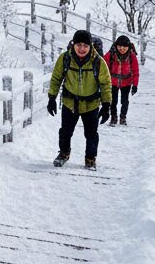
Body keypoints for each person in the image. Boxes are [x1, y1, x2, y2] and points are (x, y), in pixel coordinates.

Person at [47, 29, 112, 169]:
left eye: (86, 46)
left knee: (91, 134)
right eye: (79, 45)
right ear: (73, 44)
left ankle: (90, 158)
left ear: (90, 46)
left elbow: (106, 84)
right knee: (65, 131)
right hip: (70, 103)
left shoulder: (98, 62)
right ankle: (64, 153)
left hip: (92, 104)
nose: (82, 49)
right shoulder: (65, 59)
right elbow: (56, 78)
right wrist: (52, 97)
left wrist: (107, 105)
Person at [104, 34, 139, 126]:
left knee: (124, 101)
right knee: (113, 100)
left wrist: (135, 85)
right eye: (120, 46)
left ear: (128, 47)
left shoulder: (131, 56)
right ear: (116, 46)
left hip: (126, 82)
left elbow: (135, 71)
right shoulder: (111, 54)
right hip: (113, 82)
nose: (122, 48)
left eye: (124, 46)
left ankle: (123, 117)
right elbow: (103, 67)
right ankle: (113, 117)